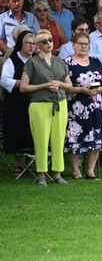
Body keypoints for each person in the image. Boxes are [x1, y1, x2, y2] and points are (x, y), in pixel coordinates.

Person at [20, 29, 73, 186]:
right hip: (40, 104)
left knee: (58, 139)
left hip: (60, 103)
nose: (49, 43)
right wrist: (44, 85)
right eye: (44, 41)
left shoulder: (59, 61)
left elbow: (69, 85)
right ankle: (41, 174)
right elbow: (23, 87)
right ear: (37, 46)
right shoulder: (32, 63)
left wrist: (60, 84)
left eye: (50, 40)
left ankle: (57, 173)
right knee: (41, 140)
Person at [63, 31, 102, 180]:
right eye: (80, 44)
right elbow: (66, 87)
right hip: (77, 105)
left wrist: (101, 89)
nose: (83, 47)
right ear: (73, 45)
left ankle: (90, 170)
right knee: (75, 135)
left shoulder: (96, 60)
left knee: (96, 135)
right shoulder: (67, 62)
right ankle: (75, 169)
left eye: (86, 44)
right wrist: (82, 90)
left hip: (96, 104)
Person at [1, 29, 35, 176]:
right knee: (16, 130)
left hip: (33, 101)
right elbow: (4, 80)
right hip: (15, 102)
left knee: (31, 130)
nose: (31, 46)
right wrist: (24, 83)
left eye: (33, 44)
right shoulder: (12, 60)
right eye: (28, 43)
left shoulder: (38, 60)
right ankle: (17, 163)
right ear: (21, 44)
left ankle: (30, 162)